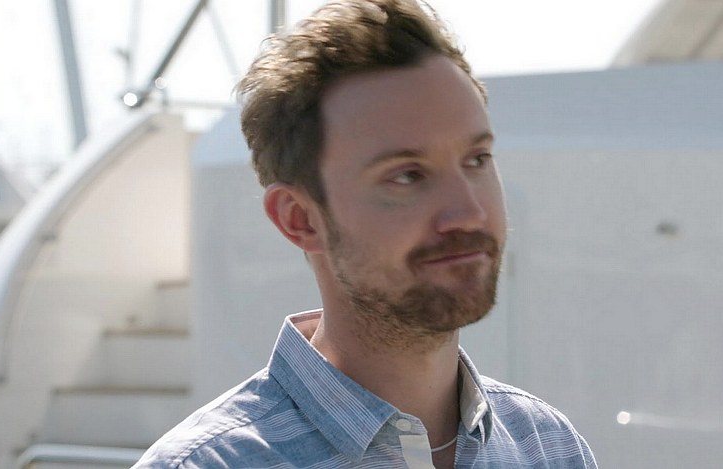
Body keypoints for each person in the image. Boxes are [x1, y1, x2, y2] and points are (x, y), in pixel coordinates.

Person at [133, 0, 597, 468]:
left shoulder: (548, 446)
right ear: (300, 218)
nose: (469, 213)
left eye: (476, 160)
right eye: (407, 175)